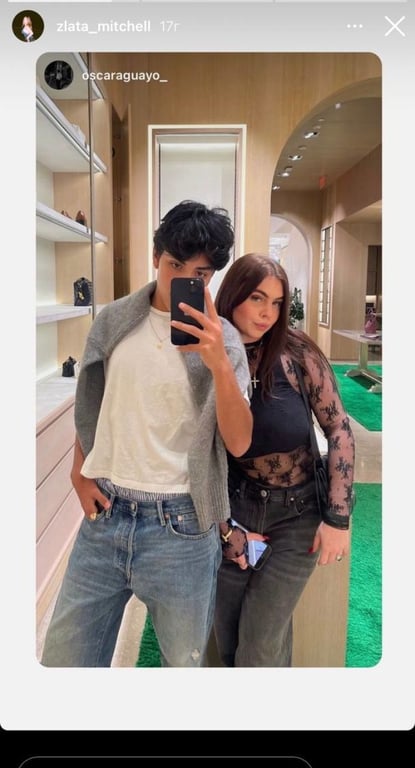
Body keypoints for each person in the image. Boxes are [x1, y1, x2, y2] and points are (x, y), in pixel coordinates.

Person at [41, 201, 253, 668]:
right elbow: (93, 404)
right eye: (175, 264)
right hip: (106, 517)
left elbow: (239, 442)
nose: (183, 279)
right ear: (156, 256)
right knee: (64, 662)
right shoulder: (114, 321)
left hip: (183, 526)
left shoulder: (223, 341)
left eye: (199, 273)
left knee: (182, 666)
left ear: (211, 277)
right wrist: (79, 471)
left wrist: (219, 364)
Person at [213, 253, 355, 667]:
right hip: (235, 510)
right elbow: (196, 454)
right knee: (228, 639)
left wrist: (338, 518)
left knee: (259, 646)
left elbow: (339, 428)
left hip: (297, 516)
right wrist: (226, 531)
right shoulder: (210, 352)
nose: (267, 313)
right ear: (233, 295)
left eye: (276, 303)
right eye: (257, 298)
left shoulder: (296, 352)